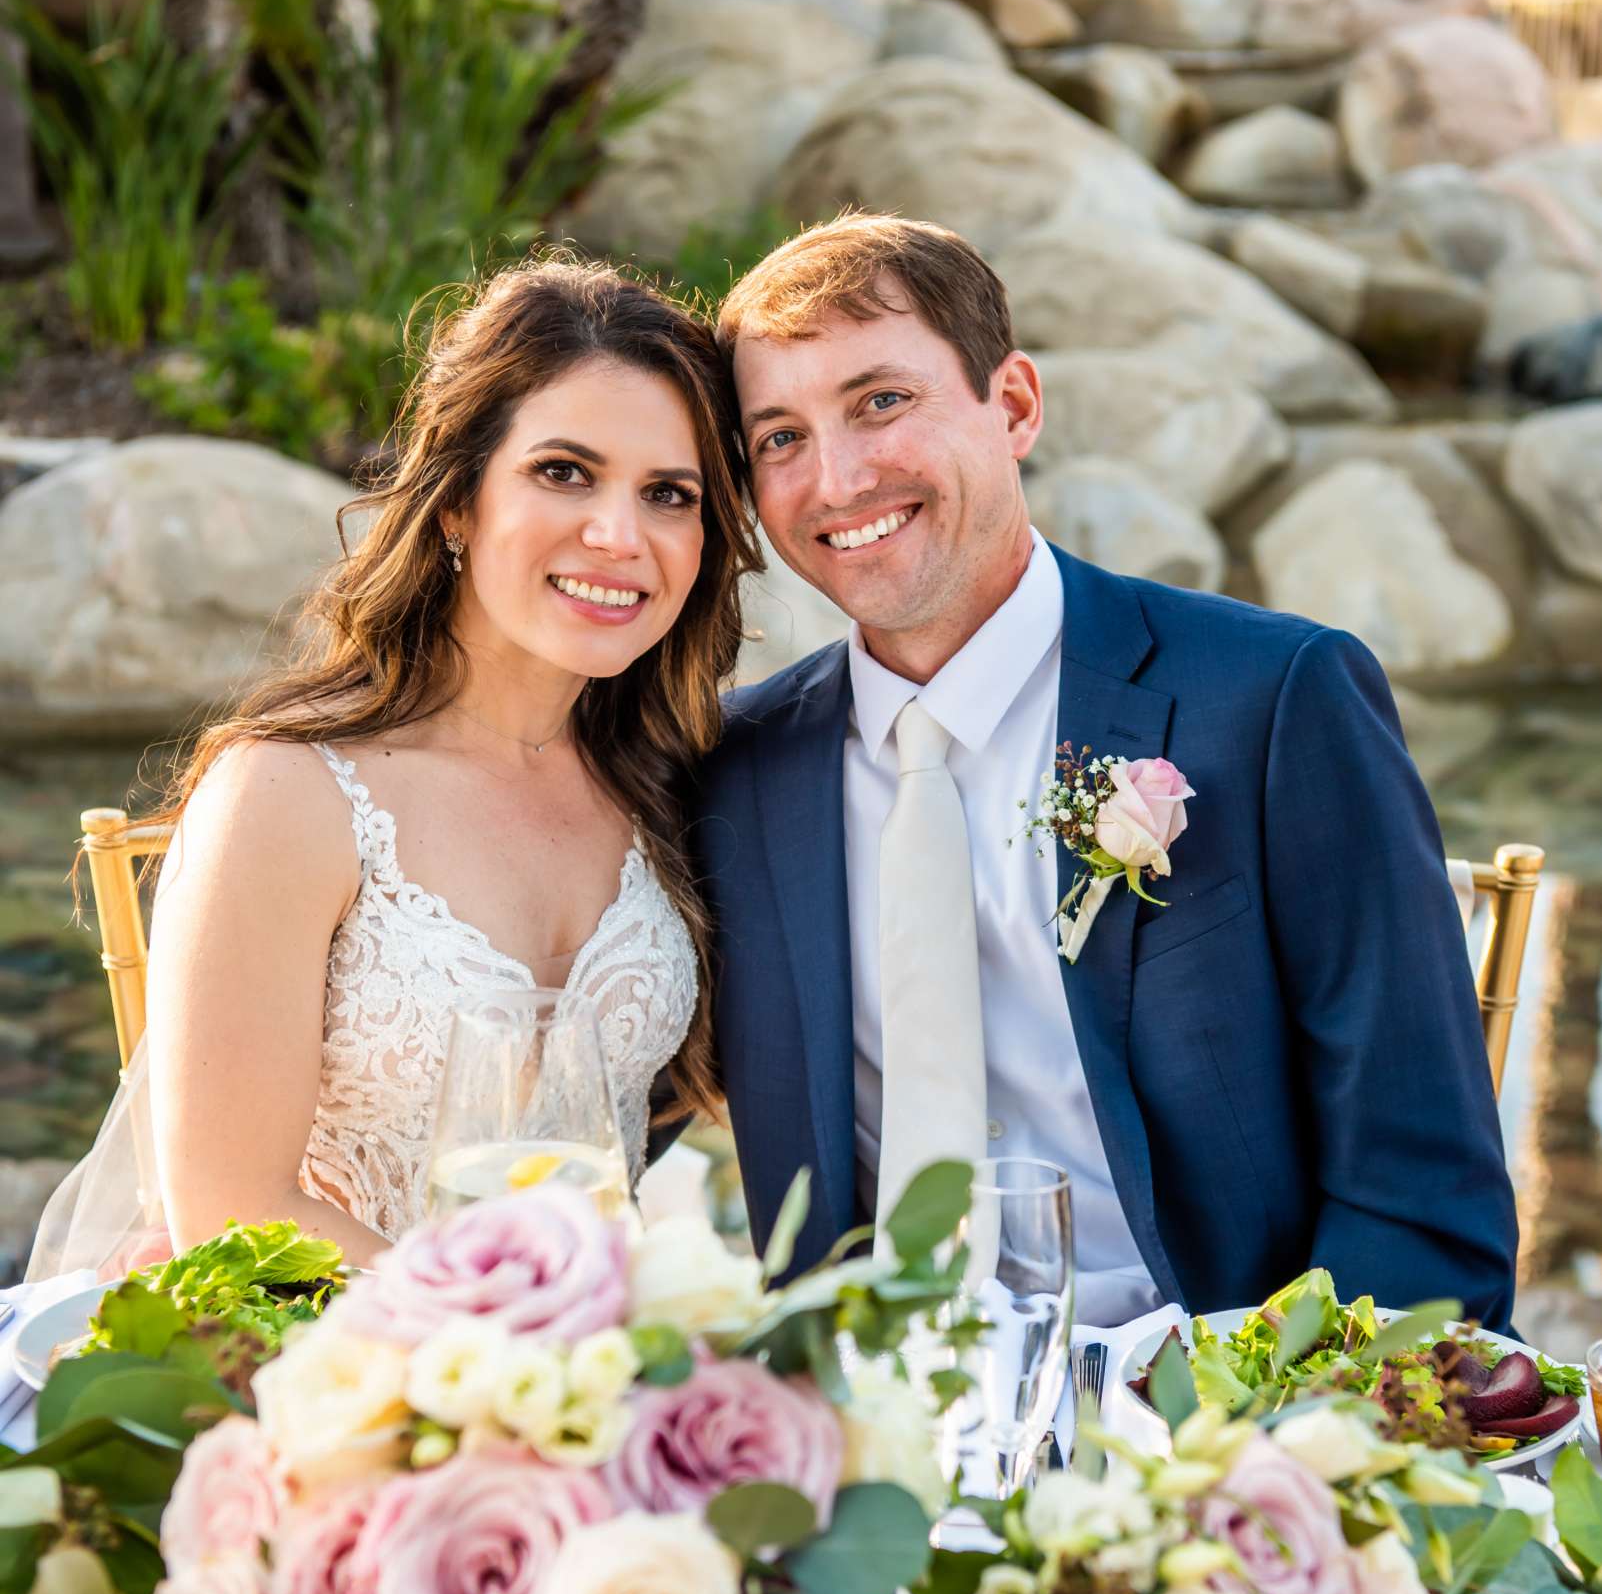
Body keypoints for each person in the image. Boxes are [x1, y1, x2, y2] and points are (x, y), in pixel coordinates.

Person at [694, 214, 1518, 1331]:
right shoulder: (738, 770)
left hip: (1231, 1419)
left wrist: (1262, 1451)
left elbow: (1422, 1200)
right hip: (869, 1431)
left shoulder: (1273, 702)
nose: (836, 479)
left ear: (1016, 405)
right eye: (779, 438)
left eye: (881, 402)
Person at [31, 256, 758, 1277]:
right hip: (310, 1365)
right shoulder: (289, 796)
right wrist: (505, 1350)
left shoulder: (678, 788)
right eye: (564, 472)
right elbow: (232, 1209)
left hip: (581, 1384)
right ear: (457, 502)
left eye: (669, 494)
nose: (617, 534)